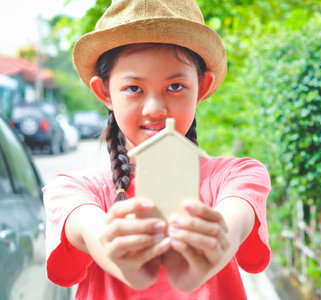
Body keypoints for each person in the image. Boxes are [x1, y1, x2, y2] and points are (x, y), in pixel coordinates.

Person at [43, 0, 271, 299]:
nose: (155, 108)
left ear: (201, 86)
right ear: (104, 92)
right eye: (134, 88)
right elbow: (90, 229)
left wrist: (212, 246)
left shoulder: (238, 175)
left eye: (175, 86)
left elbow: (234, 221)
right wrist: (123, 259)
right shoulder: (71, 190)